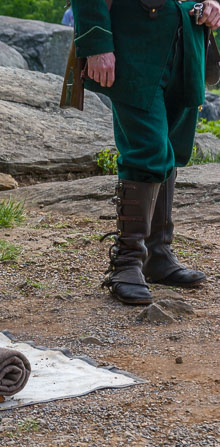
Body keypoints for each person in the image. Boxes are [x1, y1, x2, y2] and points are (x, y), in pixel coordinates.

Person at [71, 1, 219, 304]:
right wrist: (97, 42)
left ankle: (158, 254)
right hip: (133, 44)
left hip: (186, 39)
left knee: (171, 149)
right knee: (149, 148)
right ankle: (126, 264)